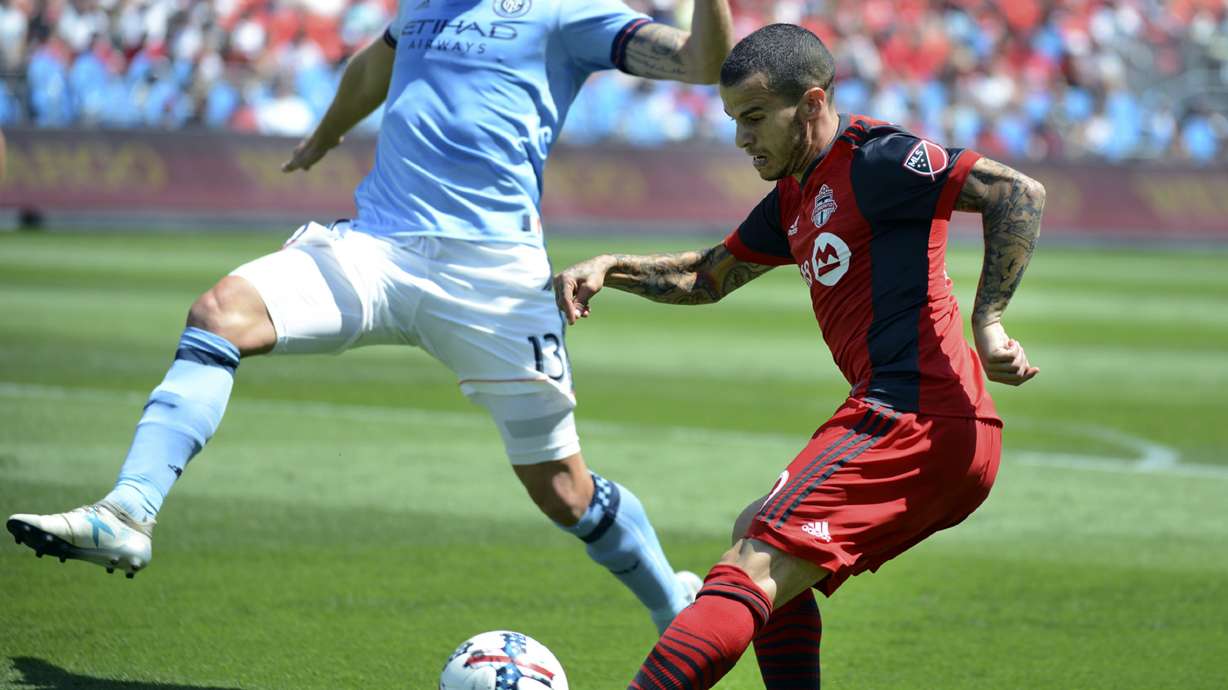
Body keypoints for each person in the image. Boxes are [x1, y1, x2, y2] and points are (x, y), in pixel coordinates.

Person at [6, 0, 734, 634]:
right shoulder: (424, 0)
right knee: (222, 312)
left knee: (564, 491)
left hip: (494, 278)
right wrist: (329, 131)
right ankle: (130, 512)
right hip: (377, 250)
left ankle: (671, 603)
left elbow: (705, 62)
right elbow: (375, 63)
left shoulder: (568, 10)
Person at [554, 23, 1045, 688]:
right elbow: (708, 276)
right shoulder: (795, 193)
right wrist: (611, 268)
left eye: (754, 118)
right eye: (734, 120)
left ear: (812, 104)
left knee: (751, 563)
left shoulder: (874, 159)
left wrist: (989, 322)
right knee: (758, 534)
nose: (741, 139)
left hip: (915, 416)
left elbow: (1017, 192)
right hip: (924, 426)